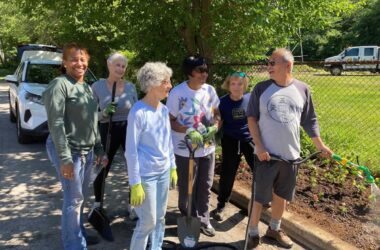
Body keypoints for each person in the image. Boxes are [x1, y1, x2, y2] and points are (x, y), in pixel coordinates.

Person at [245, 48, 333, 249]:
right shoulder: (261, 88)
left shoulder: (303, 89)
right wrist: (259, 146)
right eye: (268, 63)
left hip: (291, 156)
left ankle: (274, 229)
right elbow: (251, 118)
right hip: (266, 156)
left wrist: (320, 145)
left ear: (288, 65)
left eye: (272, 63)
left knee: (281, 196)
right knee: (259, 197)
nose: (268, 67)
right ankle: (252, 232)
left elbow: (310, 120)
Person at [43, 43, 108, 250]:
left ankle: (78, 234)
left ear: (87, 62)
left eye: (82, 59)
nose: (79, 63)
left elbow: (92, 121)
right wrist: (65, 159)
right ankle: (74, 245)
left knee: (80, 199)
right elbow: (56, 123)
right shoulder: (59, 85)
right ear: (64, 62)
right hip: (68, 151)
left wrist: (98, 149)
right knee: (73, 200)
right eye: (74, 59)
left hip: (86, 151)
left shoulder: (86, 88)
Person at [124, 62, 177, 250]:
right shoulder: (138, 112)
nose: (170, 86)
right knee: (148, 221)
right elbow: (130, 150)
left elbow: (167, 141)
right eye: (165, 82)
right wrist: (135, 183)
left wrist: (173, 166)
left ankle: (156, 247)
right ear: (152, 84)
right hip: (146, 176)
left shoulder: (163, 110)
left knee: (160, 218)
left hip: (163, 173)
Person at [166, 55, 221, 237]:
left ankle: (204, 220)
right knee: (187, 186)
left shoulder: (210, 91)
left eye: (206, 70)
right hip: (184, 148)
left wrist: (215, 126)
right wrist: (188, 130)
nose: (204, 74)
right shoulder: (177, 93)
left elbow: (216, 114)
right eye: (200, 70)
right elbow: (170, 120)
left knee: (205, 185)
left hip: (207, 147)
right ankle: (188, 216)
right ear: (190, 72)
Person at [91, 52, 138, 219]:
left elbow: (137, 111)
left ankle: (132, 205)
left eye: (123, 66)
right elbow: (90, 116)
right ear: (109, 65)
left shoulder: (131, 87)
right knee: (103, 166)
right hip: (107, 128)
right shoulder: (97, 86)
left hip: (129, 129)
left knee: (134, 167)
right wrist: (103, 113)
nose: (120, 68)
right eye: (117, 65)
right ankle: (97, 204)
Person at [211, 71, 255, 222]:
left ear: (245, 85)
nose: (236, 87)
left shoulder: (250, 99)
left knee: (260, 170)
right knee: (228, 173)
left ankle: (259, 202)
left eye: (240, 84)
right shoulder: (222, 102)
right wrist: (213, 127)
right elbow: (217, 119)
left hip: (250, 140)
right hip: (230, 141)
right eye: (233, 84)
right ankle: (221, 204)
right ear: (228, 85)